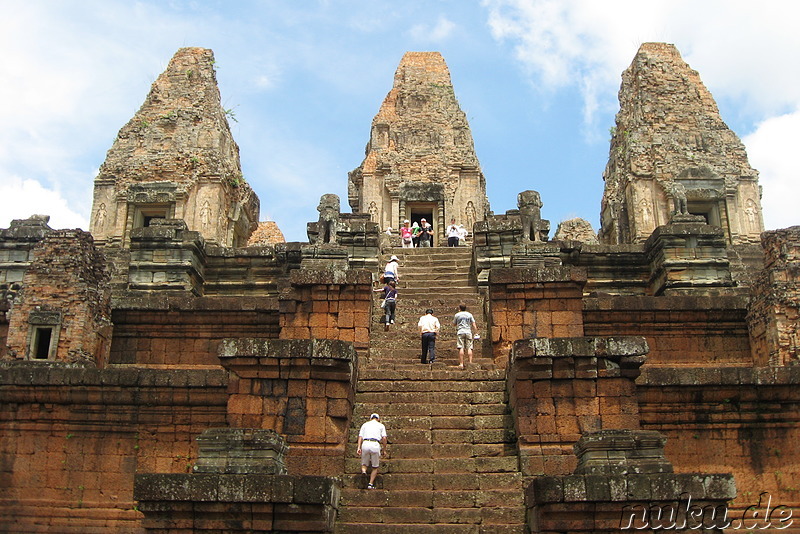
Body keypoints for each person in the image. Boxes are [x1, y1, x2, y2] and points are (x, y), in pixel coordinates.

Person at [357, 413, 388, 489]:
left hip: (365, 443)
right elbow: (384, 438)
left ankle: (364, 471)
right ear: (378, 419)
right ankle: (370, 484)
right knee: (375, 466)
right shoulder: (381, 425)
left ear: (370, 418)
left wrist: (358, 447)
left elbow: (360, 436)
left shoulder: (365, 425)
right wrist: (384, 449)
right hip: (375, 444)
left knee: (364, 464)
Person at [453, 303, 479, 369]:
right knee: (469, 347)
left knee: (461, 347)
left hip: (460, 332)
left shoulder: (457, 315)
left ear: (460, 308)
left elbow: (454, 324)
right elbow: (474, 324)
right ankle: (470, 362)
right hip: (468, 332)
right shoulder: (469, 314)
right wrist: (476, 332)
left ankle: (461, 363)